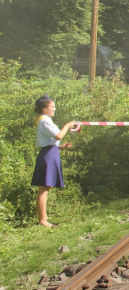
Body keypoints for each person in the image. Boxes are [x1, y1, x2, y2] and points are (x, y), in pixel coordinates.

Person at [31, 95, 78, 228]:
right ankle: (42, 220)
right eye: (52, 107)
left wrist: (61, 146)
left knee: (46, 187)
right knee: (44, 188)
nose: (54, 109)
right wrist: (67, 125)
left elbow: (51, 140)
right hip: (48, 155)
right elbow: (58, 135)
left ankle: (44, 218)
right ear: (44, 109)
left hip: (50, 152)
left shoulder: (45, 120)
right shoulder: (45, 121)